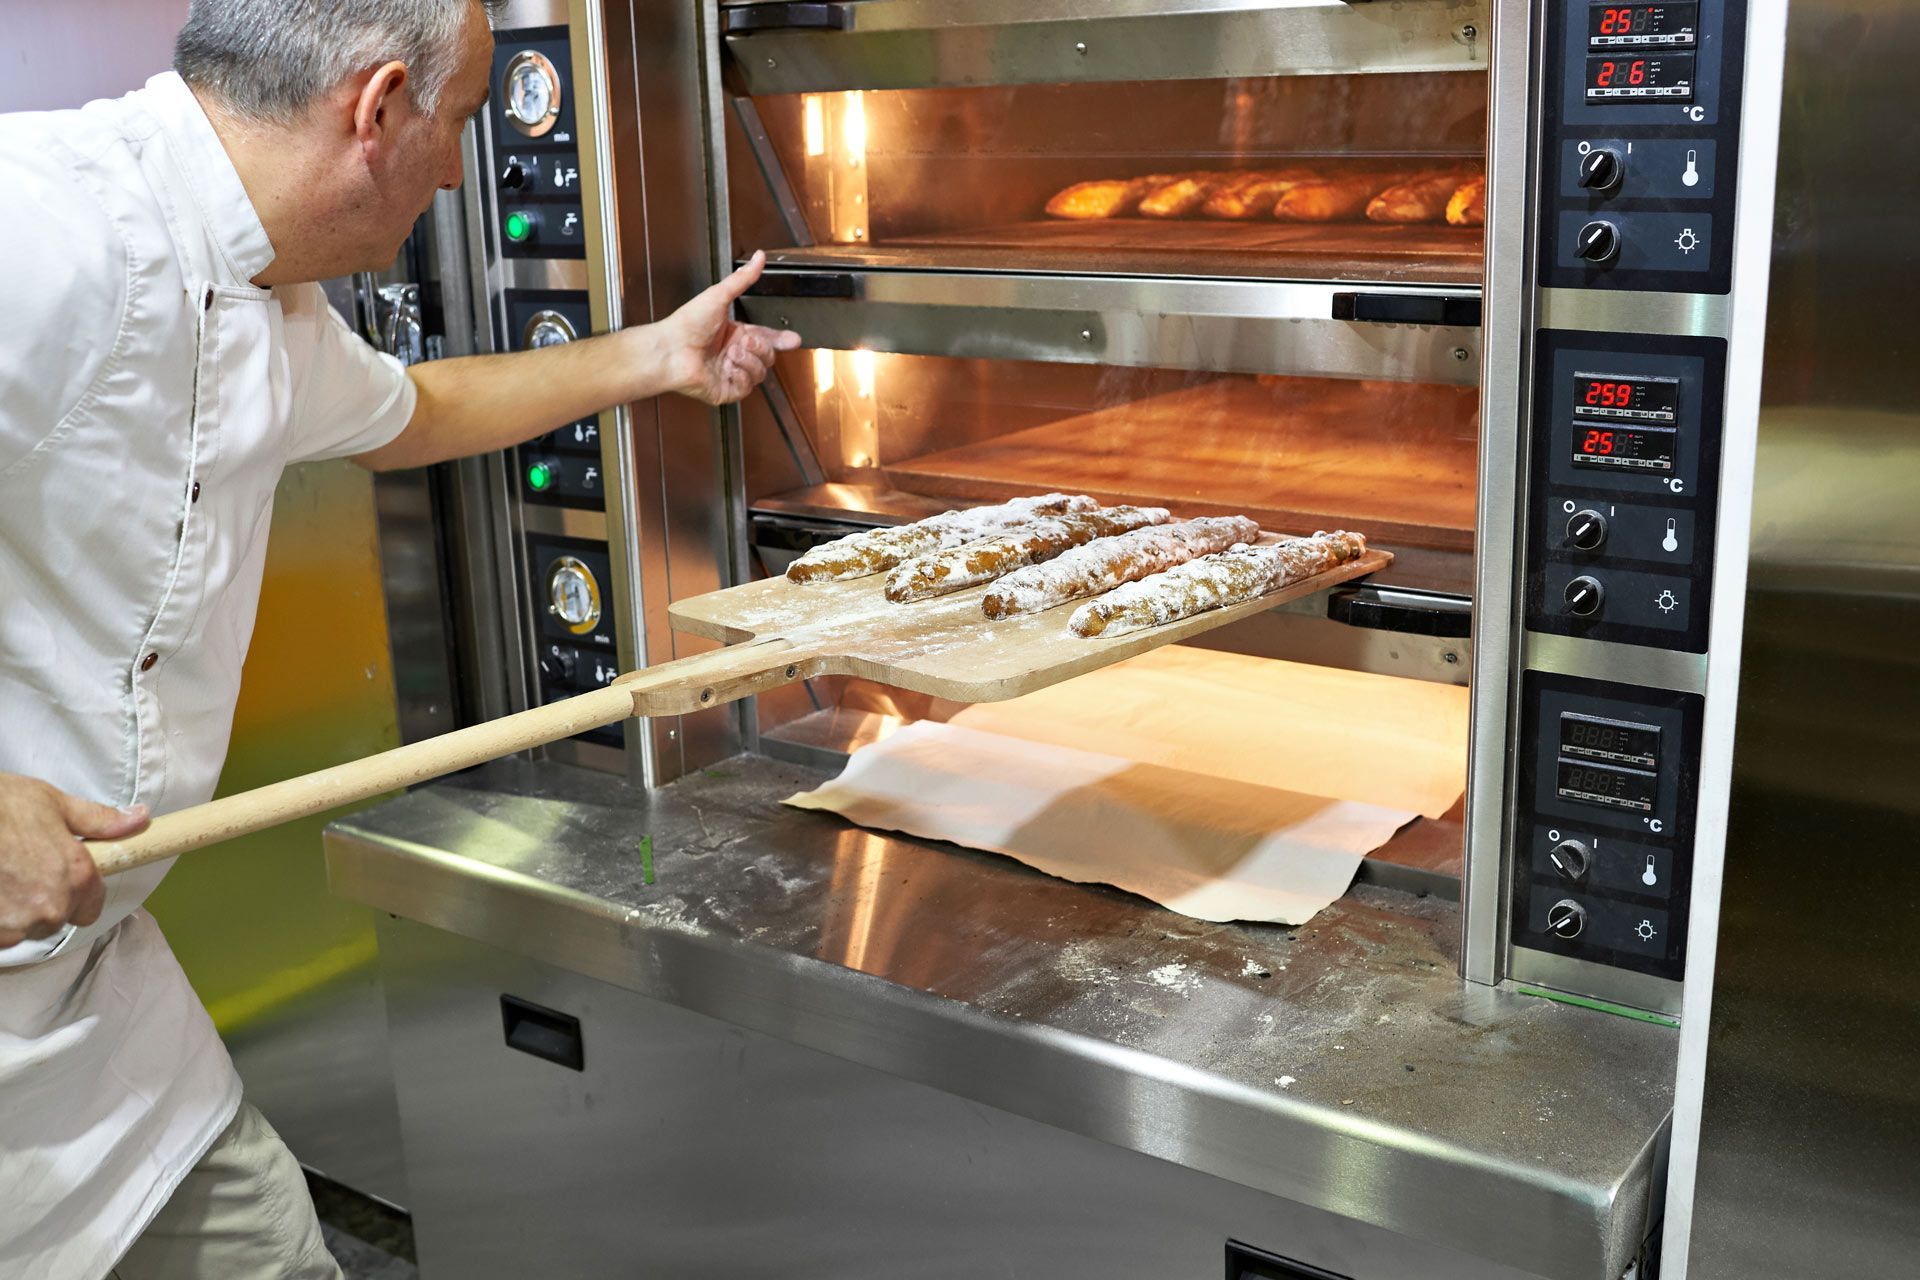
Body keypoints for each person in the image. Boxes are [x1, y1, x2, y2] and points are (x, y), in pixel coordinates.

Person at [0, 1, 798, 1275]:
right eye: (460, 120)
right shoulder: (37, 225)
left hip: (97, 1007)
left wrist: (654, 357)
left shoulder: (269, 299)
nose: (453, 167)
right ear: (376, 110)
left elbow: (415, 407)